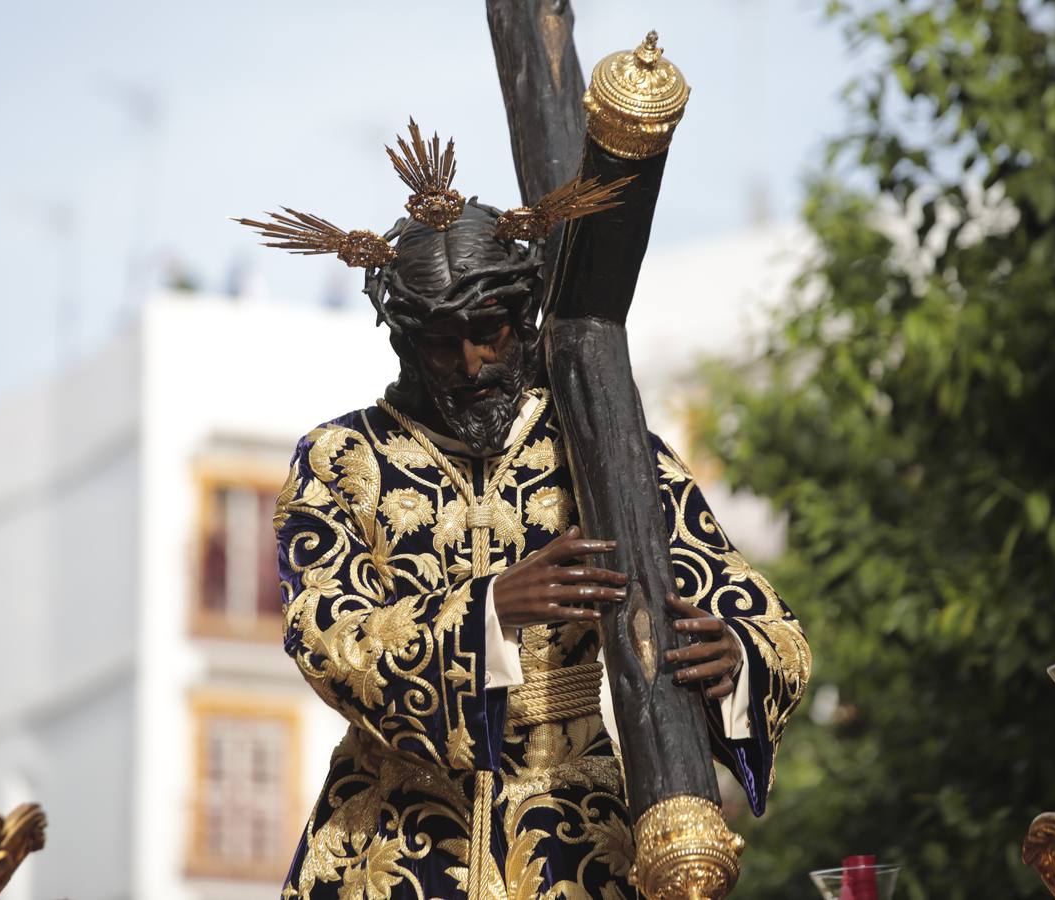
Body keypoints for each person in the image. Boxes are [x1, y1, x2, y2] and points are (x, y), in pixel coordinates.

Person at [241, 121, 810, 900]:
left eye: (491, 331)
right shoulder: (343, 461)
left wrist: (735, 656)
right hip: (394, 836)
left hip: (577, 836)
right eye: (445, 342)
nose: (474, 362)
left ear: (524, 318)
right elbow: (323, 633)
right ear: (406, 341)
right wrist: (489, 610)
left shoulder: (601, 446)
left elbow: (763, 618)